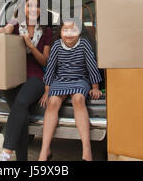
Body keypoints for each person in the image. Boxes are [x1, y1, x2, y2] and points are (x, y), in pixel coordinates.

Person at [0, 0, 53, 161]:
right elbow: (4, 30)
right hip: (14, 74)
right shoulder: (15, 24)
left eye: (37, 6)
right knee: (21, 114)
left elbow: (44, 60)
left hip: (36, 75)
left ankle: (6, 152)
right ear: (23, 8)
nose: (33, 9)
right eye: (29, 5)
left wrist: (30, 45)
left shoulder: (46, 30)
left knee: (20, 104)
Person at [38, 19, 102, 161]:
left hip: (80, 79)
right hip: (61, 79)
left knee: (78, 99)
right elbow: (50, 70)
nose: (69, 34)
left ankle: (86, 149)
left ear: (79, 32)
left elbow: (92, 66)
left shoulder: (84, 44)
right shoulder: (56, 46)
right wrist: (47, 91)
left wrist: (95, 87)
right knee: (53, 102)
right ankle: (45, 150)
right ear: (60, 33)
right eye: (65, 30)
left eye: (73, 30)